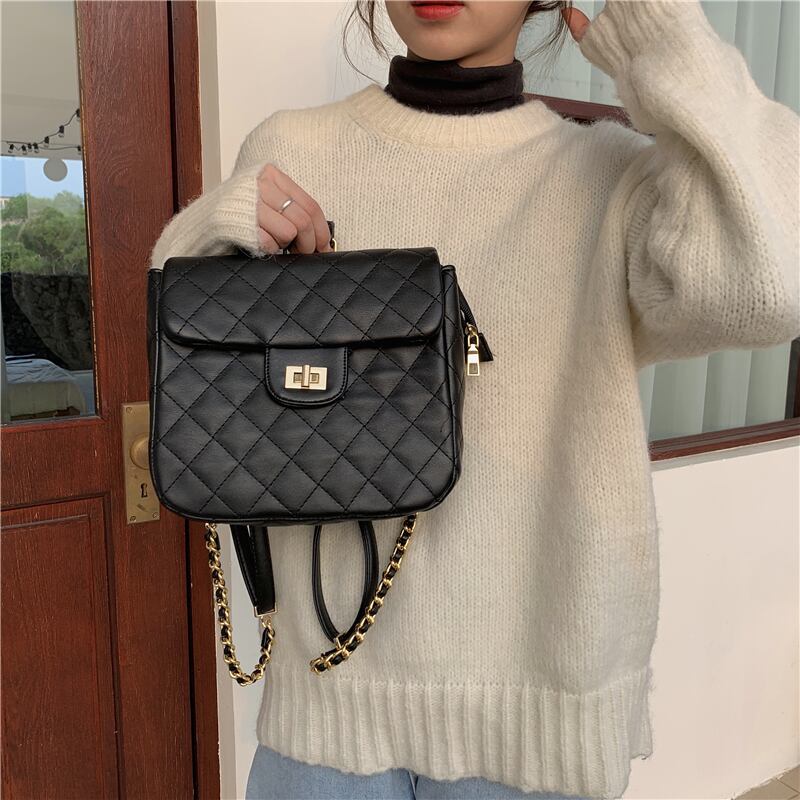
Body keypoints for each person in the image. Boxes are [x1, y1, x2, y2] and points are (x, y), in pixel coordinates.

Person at [149, 1, 800, 798]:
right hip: (329, 710)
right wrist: (212, 233)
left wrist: (664, 44)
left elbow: (769, 287)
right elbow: (190, 361)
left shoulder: (612, 176)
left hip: (536, 714)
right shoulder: (292, 150)